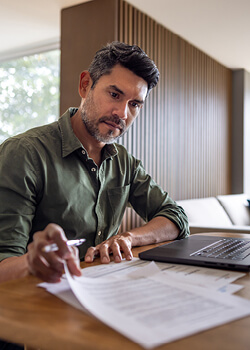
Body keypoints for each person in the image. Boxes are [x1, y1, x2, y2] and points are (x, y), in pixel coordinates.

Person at [0, 41, 189, 285]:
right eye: (114, 95)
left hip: (103, 292)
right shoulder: (23, 153)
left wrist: (129, 238)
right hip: (38, 303)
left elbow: (175, 216)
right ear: (85, 85)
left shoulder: (124, 162)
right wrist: (32, 262)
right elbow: (4, 262)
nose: (122, 113)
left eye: (134, 104)